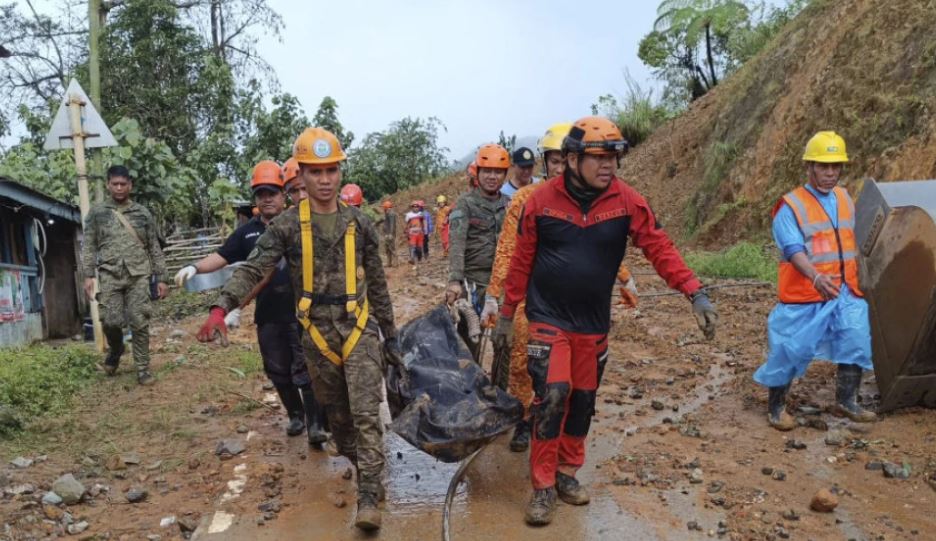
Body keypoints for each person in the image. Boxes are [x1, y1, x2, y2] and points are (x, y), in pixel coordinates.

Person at [496, 116, 717, 526]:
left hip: (593, 323)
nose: (608, 166)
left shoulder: (627, 201)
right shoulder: (540, 202)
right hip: (547, 319)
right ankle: (543, 487)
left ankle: (567, 474)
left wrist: (694, 291)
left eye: (614, 158)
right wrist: (507, 316)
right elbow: (520, 263)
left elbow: (659, 246)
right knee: (553, 396)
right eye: (599, 158)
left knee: (582, 402)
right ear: (573, 158)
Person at [196, 127, 401, 531]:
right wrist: (221, 307)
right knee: (339, 425)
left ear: (340, 172)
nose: (324, 181)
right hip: (317, 337)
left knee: (364, 414)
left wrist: (391, 337)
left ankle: (369, 495)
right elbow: (254, 268)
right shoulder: (286, 227)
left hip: (358, 329)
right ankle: (365, 467)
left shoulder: (361, 224)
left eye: (331, 171)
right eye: (315, 172)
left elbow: (377, 284)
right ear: (301, 177)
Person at [483, 123, 638, 454]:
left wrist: (623, 276)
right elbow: (509, 251)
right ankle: (526, 420)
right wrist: (494, 298)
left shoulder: (593, 199)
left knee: (572, 380)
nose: (557, 168)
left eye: (561, 161)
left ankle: (560, 435)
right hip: (534, 301)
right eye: (552, 161)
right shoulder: (528, 200)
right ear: (548, 162)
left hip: (577, 306)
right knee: (526, 365)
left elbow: (597, 247)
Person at [175, 160, 326, 444]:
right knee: (277, 369)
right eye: (261, 193)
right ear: (255, 198)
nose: (267, 198)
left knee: (306, 368)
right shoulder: (247, 232)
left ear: (283, 194)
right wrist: (195, 267)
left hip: (302, 313)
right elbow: (222, 258)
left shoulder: (301, 224)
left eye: (272, 192)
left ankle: (316, 424)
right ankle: (296, 415)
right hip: (268, 313)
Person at [755, 131, 876, 431]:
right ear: (809, 167)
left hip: (844, 290)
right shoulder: (790, 206)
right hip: (805, 294)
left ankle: (847, 400)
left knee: (856, 339)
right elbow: (793, 249)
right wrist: (815, 276)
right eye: (823, 166)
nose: (830, 173)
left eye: (836, 166)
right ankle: (776, 408)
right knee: (788, 349)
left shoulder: (845, 198)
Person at [81, 165, 168, 386]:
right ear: (108, 185)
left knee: (139, 320)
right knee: (110, 321)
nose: (119, 188)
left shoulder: (142, 213)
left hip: (138, 274)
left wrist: (162, 277)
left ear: (130, 185)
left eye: (123, 184)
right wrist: (88, 274)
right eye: (115, 184)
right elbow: (89, 245)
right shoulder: (97, 213)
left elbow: (154, 247)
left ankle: (143, 368)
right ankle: (117, 349)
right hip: (110, 274)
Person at [447, 144, 511, 361]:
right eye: (487, 171)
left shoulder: (509, 205)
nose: (492, 176)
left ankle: (497, 389)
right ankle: (468, 389)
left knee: (504, 342)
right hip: (473, 283)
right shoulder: (465, 205)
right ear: (479, 172)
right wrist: (455, 281)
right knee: (470, 341)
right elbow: (457, 243)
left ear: (504, 174)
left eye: (498, 172)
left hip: (502, 285)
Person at [404, 201, 426, 269]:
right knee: (412, 247)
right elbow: (407, 224)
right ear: (411, 207)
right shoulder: (408, 215)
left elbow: (423, 222)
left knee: (419, 248)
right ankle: (412, 259)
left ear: (419, 207)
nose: (415, 208)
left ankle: (419, 259)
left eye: (417, 206)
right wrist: (406, 232)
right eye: (414, 206)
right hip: (412, 233)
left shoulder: (421, 214)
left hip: (419, 233)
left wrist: (425, 230)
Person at [378, 200, 397, 267]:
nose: (383, 208)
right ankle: (389, 263)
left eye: (384, 207)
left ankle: (395, 262)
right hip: (387, 233)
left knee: (392, 248)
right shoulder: (387, 213)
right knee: (387, 248)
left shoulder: (391, 214)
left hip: (390, 234)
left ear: (386, 207)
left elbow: (392, 224)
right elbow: (382, 220)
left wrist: (391, 234)